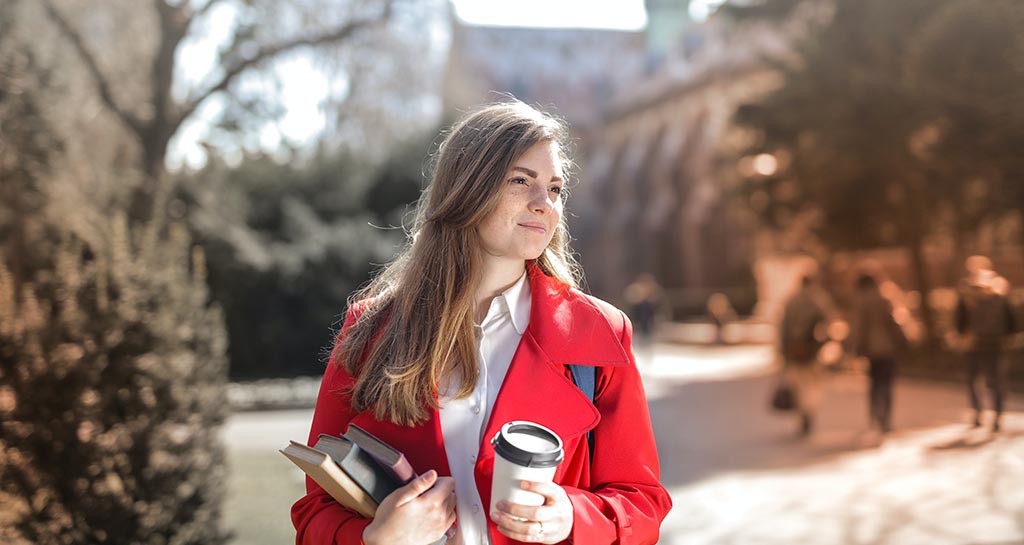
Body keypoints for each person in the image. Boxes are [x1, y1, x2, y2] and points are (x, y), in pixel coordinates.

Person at [291, 101, 672, 545]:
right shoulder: (371, 329)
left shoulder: (600, 332)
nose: (544, 203)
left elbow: (643, 501)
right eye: (520, 181)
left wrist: (572, 516)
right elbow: (314, 510)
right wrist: (375, 538)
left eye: (555, 188)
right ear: (466, 189)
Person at [954, 257, 1016, 432]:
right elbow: (1010, 317)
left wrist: (960, 336)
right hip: (995, 343)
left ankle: (977, 412)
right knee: (996, 380)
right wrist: (1008, 336)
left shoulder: (966, 291)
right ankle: (997, 415)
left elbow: (959, 321)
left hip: (973, 344)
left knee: (973, 380)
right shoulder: (999, 289)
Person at [848, 273, 907, 434]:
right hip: (888, 348)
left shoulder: (860, 302)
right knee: (887, 383)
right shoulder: (885, 298)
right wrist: (902, 340)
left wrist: (855, 347)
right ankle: (886, 417)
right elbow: (895, 323)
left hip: (871, 350)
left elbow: (858, 328)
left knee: (874, 383)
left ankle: (875, 414)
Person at [778, 274, 832, 437]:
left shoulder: (791, 301)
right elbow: (828, 324)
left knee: (798, 385)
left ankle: (802, 412)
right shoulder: (818, 300)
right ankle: (809, 411)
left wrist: (783, 351)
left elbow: (783, 328)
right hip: (811, 351)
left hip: (793, 351)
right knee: (813, 384)